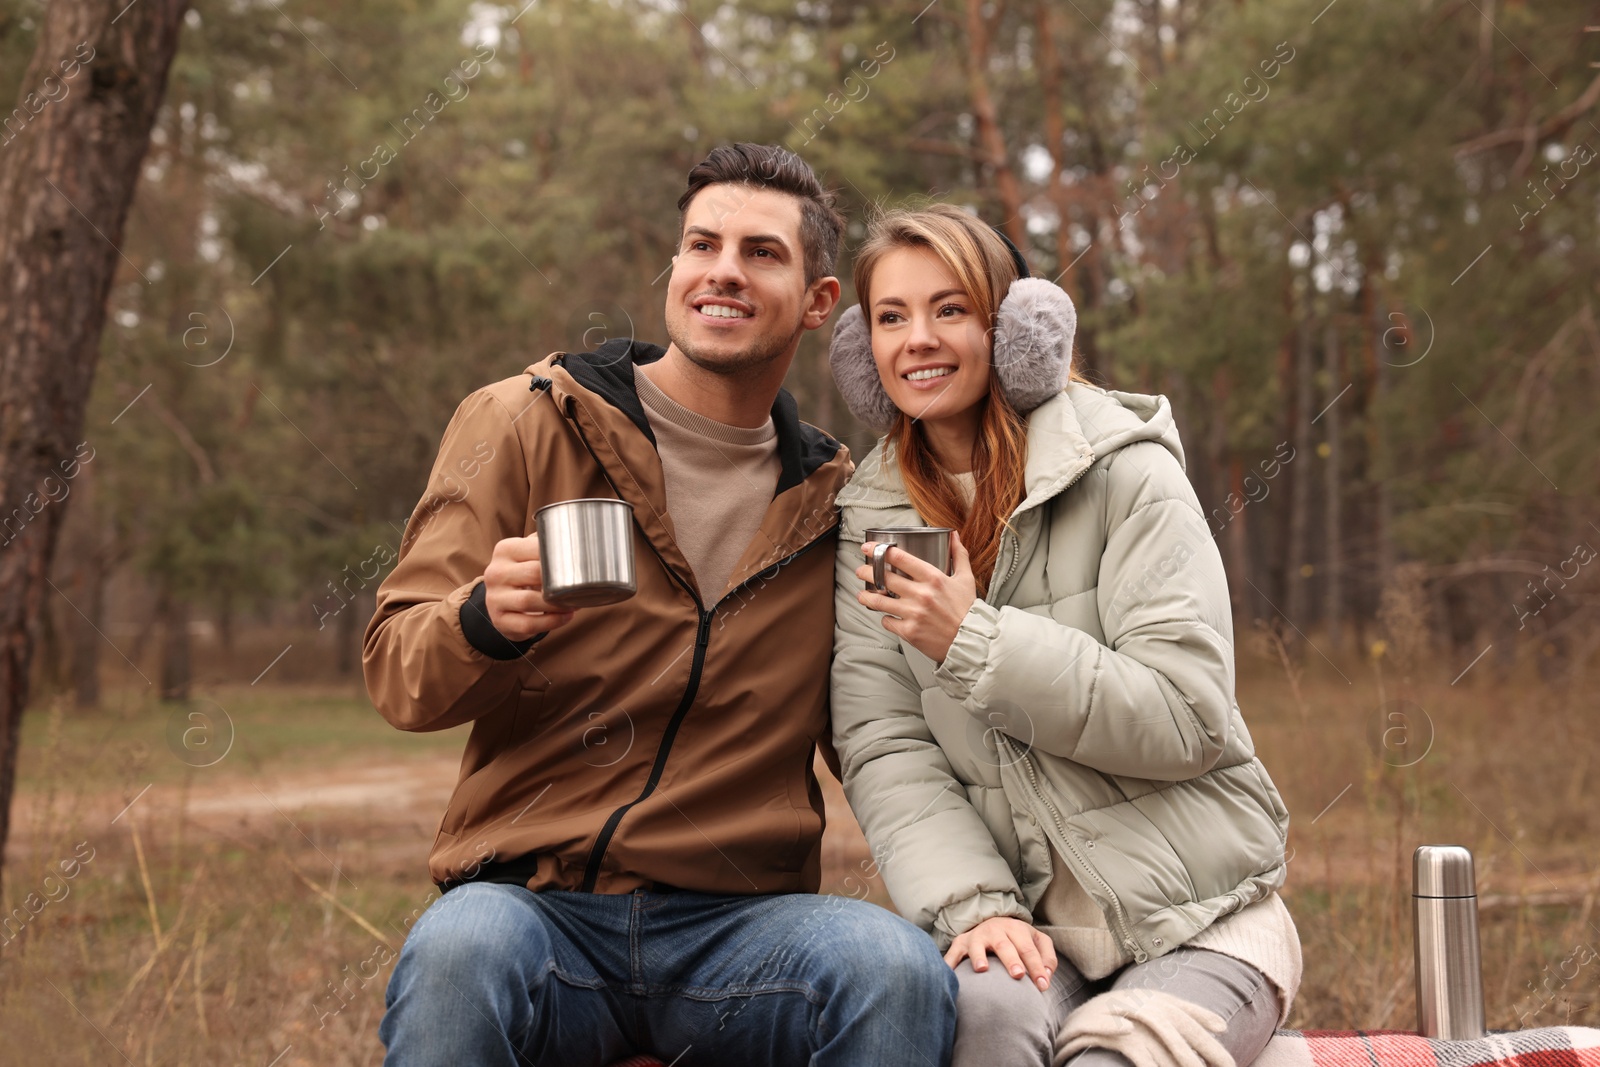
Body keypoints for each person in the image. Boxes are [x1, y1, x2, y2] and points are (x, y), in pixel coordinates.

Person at [364, 145, 958, 1067]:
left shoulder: (841, 501)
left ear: (818, 301)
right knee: (460, 947)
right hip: (537, 908)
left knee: (894, 968)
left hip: (742, 930)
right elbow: (399, 672)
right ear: (675, 268)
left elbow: (893, 736)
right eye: (701, 245)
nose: (723, 270)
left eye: (761, 252)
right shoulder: (525, 421)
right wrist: (483, 618)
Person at [827, 204, 1301, 1067]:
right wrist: (974, 904)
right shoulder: (867, 514)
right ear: (864, 354)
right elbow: (883, 741)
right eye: (891, 318)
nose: (916, 341)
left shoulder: (1127, 471)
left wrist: (970, 640)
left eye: (950, 309)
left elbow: (1188, 717)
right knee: (977, 1032)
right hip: (1027, 929)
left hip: (1200, 919)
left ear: (1016, 332)